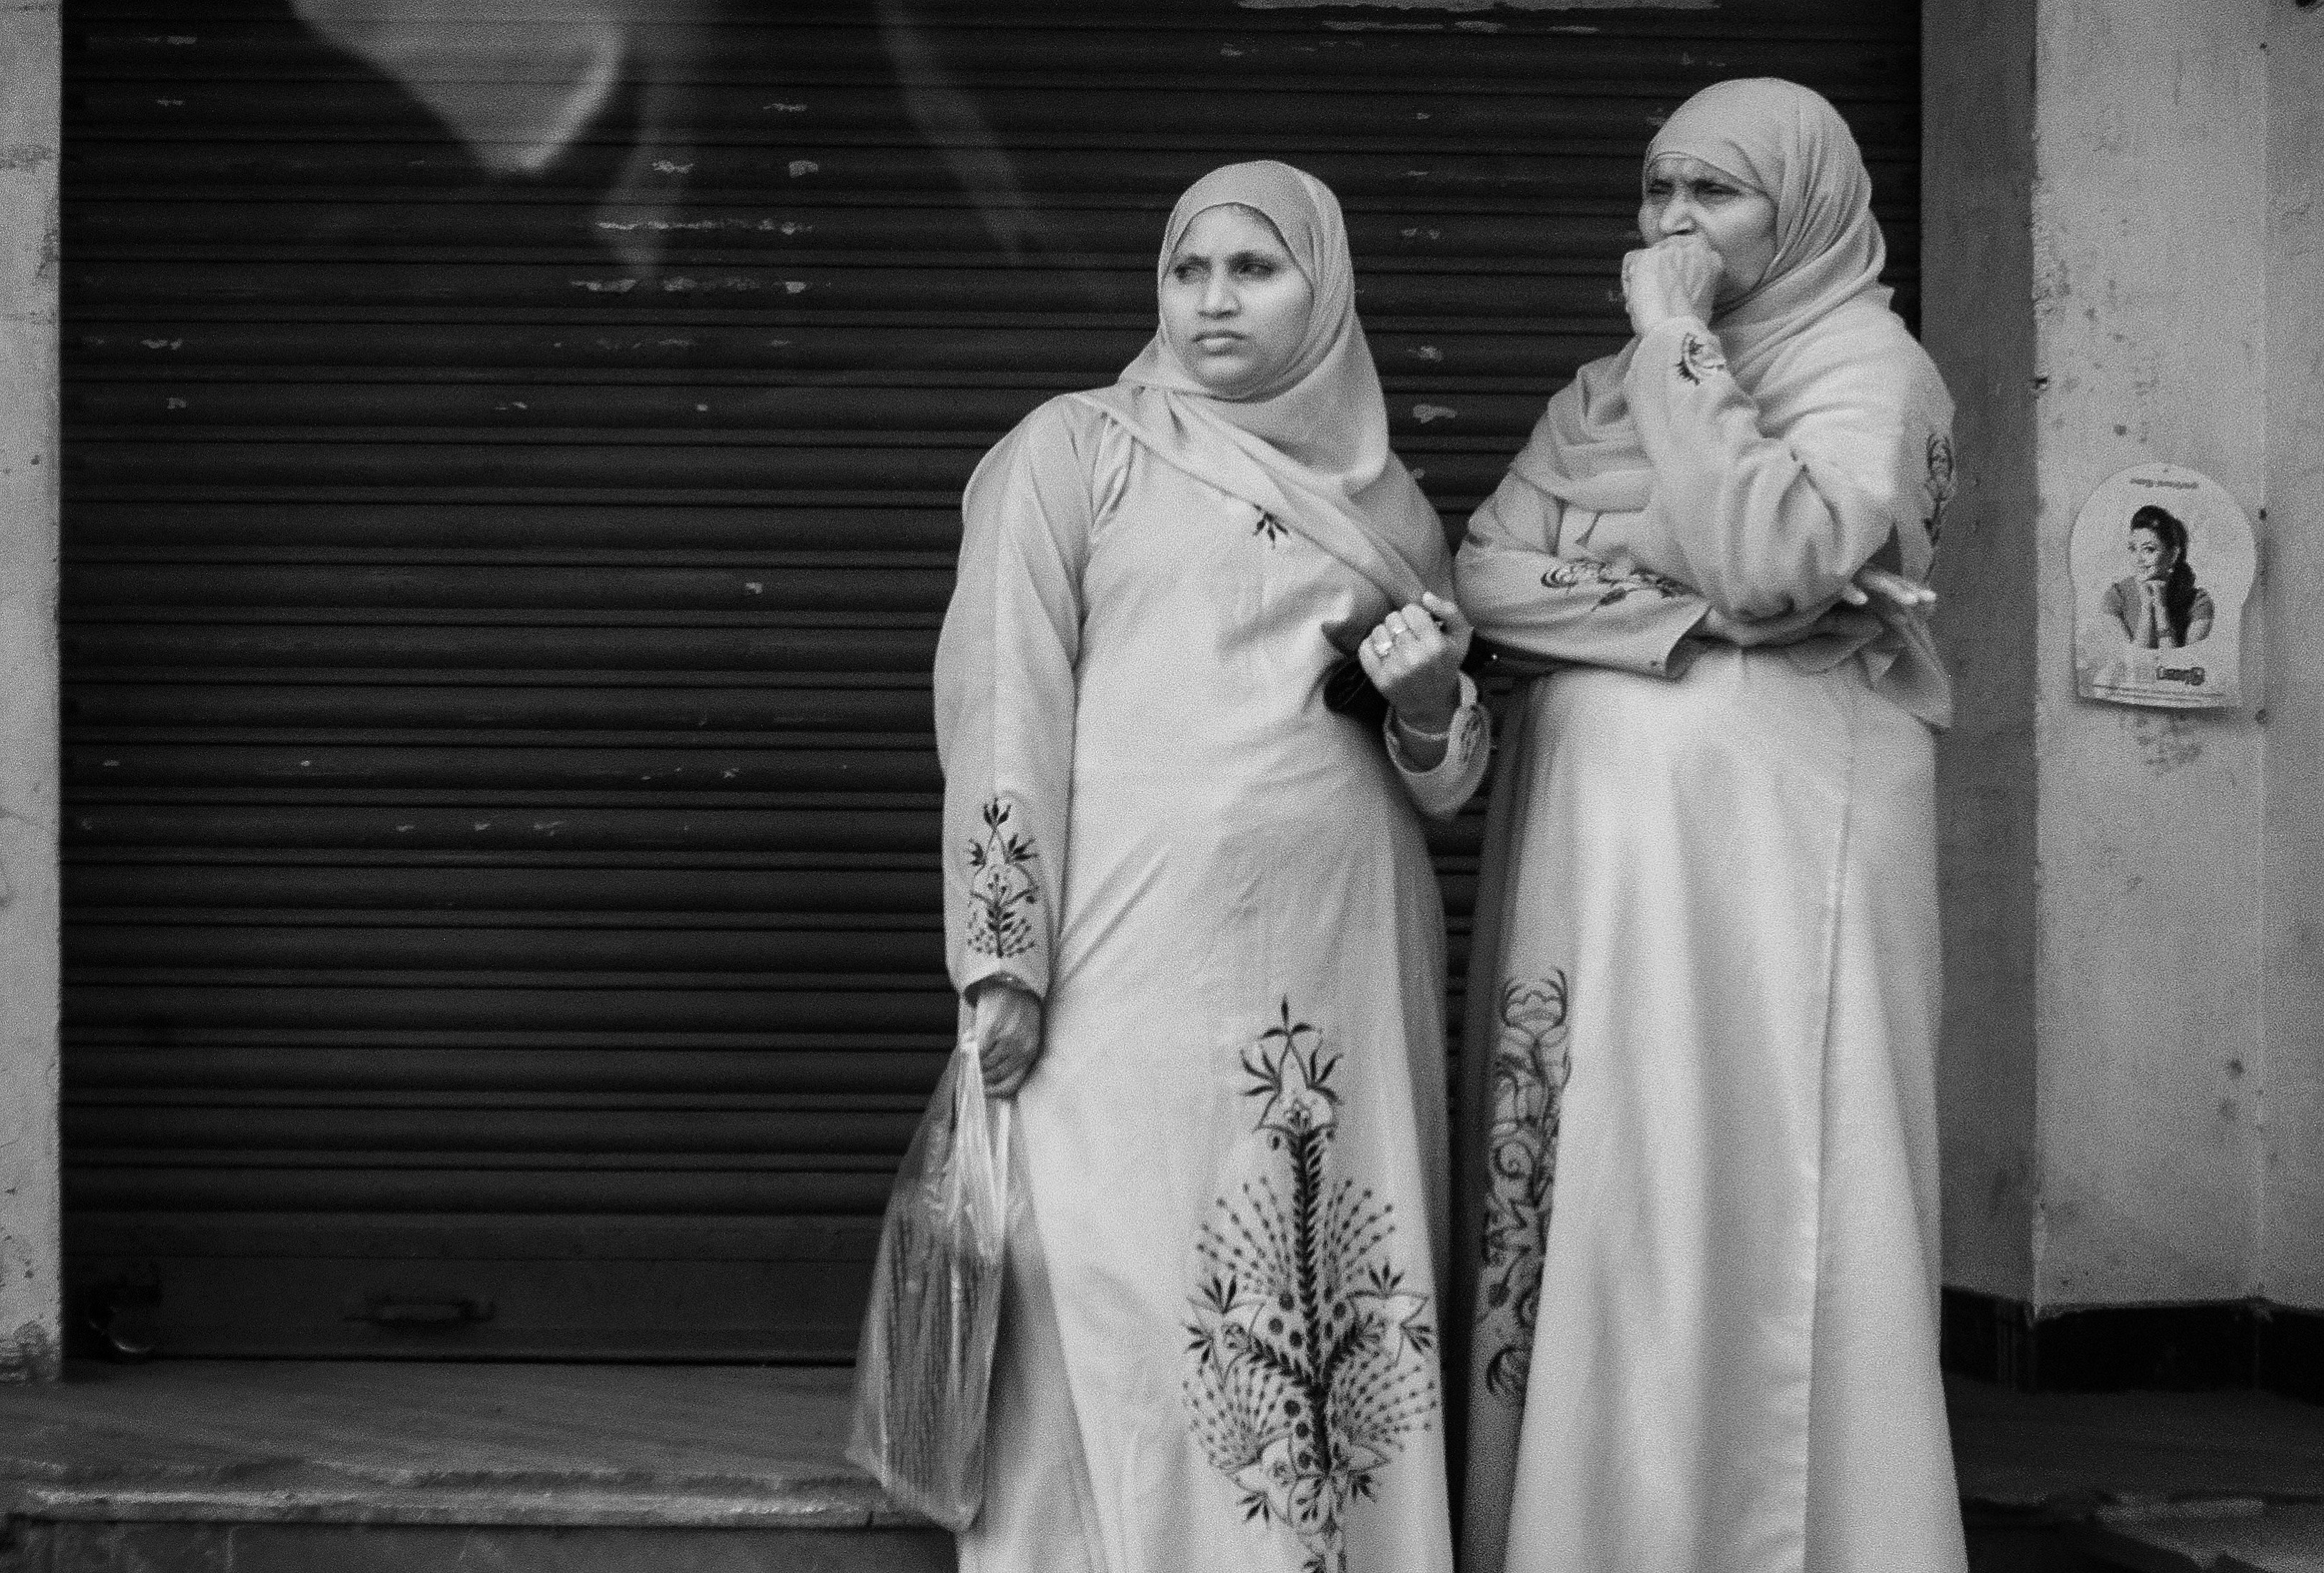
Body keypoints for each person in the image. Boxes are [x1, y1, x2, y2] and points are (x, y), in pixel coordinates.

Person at [932, 160, 1487, 1573]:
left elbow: (1444, 779)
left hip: (1340, 956)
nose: (1213, 301)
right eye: (1189, 270)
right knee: (1123, 1285)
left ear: (1325, 290)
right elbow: (1002, 706)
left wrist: (1430, 705)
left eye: (1253, 270)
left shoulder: (1393, 513)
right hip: (1132, 953)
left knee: (1320, 1301)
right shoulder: (1071, 451)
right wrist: (1002, 954)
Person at [1451, 80, 1969, 1572]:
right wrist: (1680, 615)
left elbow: (1768, 556)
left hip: (1776, 856)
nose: (1667, 226)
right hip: (1599, 873)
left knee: (1762, 1178)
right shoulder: (1600, 391)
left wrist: (1682, 355)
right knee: (1618, 1176)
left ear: (1799, 203)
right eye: (1655, 191)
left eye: (1710, 194)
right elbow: (1487, 569)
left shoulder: (1871, 375)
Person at [2103, 504, 2214, 648]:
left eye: (2149, 549)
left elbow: (2180, 665)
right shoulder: (2115, 596)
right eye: (2133, 548)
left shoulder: (2199, 602)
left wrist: (2161, 610)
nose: (2138, 559)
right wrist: (2147, 608)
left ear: (2173, 555)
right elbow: (2133, 662)